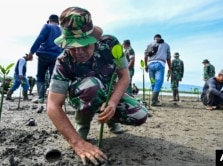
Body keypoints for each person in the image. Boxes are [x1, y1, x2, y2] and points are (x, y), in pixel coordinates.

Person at [46, 6, 148, 165]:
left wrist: (113, 103)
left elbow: (124, 75)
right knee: (91, 85)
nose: (78, 52)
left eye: (84, 45)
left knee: (139, 115)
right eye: (73, 47)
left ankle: (110, 119)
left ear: (94, 39)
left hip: (109, 94)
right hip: (83, 95)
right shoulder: (63, 61)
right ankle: (82, 122)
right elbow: (53, 104)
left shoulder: (110, 44)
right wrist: (78, 143)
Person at [27, 14, 63, 104]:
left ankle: (41, 98)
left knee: (40, 76)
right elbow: (64, 45)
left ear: (50, 20)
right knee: (53, 77)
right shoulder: (62, 30)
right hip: (56, 56)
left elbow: (40, 38)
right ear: (58, 21)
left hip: (44, 55)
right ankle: (52, 99)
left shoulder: (47, 26)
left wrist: (31, 52)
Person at [144, 34, 171, 106]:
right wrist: (170, 68)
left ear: (154, 38)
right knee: (158, 82)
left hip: (150, 65)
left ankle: (155, 99)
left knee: (153, 82)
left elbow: (145, 55)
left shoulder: (150, 44)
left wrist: (146, 65)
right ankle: (153, 100)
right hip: (160, 64)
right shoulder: (166, 45)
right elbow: (168, 58)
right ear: (160, 38)